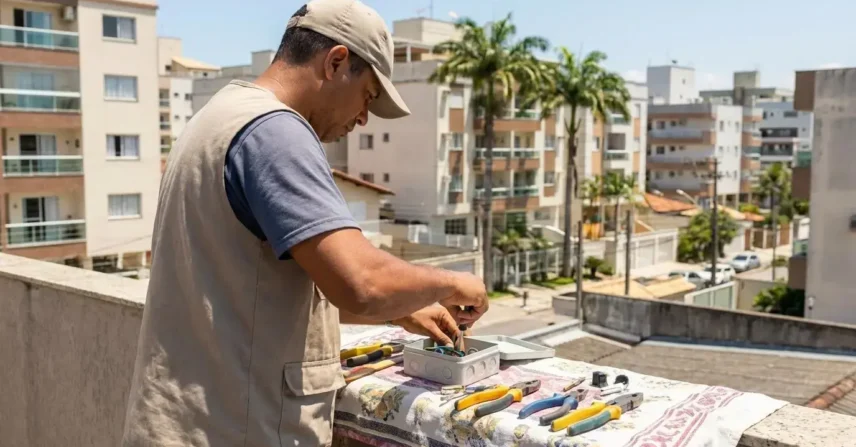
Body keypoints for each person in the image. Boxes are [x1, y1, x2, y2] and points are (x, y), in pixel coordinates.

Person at [121, 0, 489, 445]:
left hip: (185, 422)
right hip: (235, 430)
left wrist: (404, 307)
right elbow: (361, 282)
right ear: (336, 62)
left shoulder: (219, 115)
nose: (362, 118)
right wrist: (451, 282)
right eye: (368, 96)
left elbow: (260, 289)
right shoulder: (276, 132)